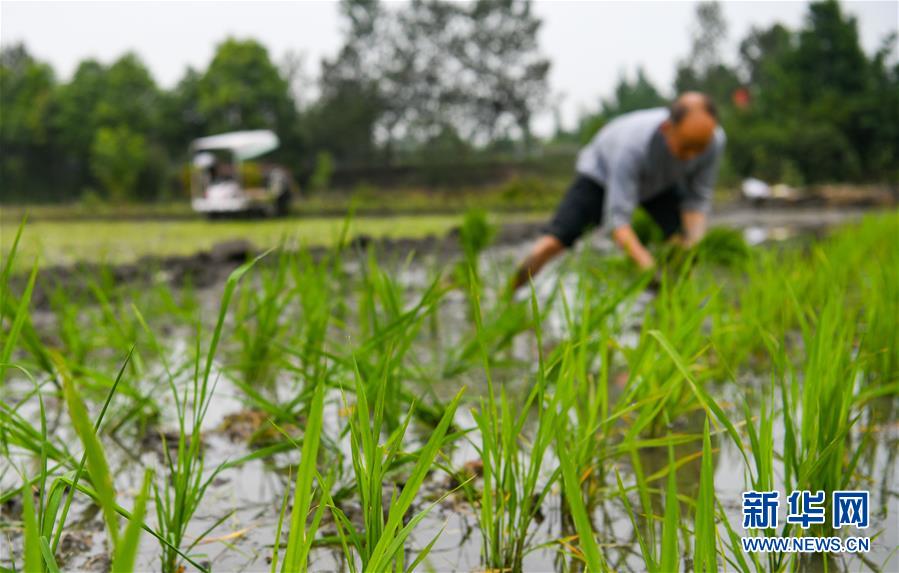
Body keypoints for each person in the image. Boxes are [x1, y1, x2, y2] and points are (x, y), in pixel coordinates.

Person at [511, 92, 725, 290]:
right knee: (555, 241)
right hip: (600, 177)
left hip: (659, 184)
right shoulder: (632, 146)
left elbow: (697, 200)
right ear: (666, 128)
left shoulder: (713, 142)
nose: (692, 157)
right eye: (685, 147)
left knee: (680, 242)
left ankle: (678, 296)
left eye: (700, 149)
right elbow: (618, 221)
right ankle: (508, 292)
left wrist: (692, 246)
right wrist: (647, 267)